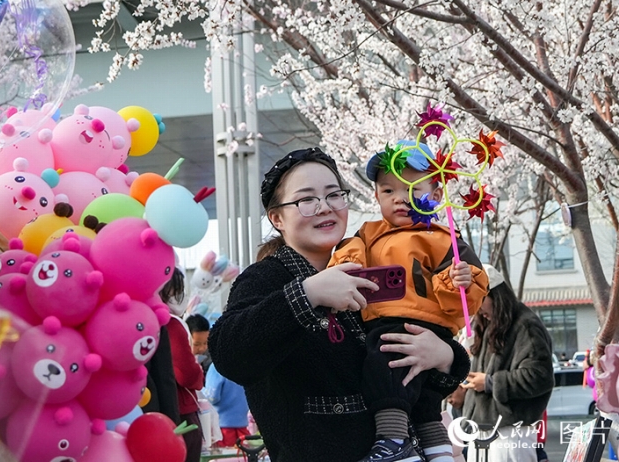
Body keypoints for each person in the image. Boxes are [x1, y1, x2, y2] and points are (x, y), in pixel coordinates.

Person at [209, 147, 471, 462]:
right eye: (306, 200)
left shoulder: (371, 270)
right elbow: (229, 353)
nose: (325, 208)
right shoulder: (265, 278)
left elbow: (406, 378)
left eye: (334, 195)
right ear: (277, 218)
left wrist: (445, 356)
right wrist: (307, 294)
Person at [329, 141, 489, 462]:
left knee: (389, 376)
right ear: (376, 196)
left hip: (410, 328)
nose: (400, 198)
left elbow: (467, 297)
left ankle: (393, 440)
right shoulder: (369, 233)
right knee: (420, 400)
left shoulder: (444, 239)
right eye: (388, 191)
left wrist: (459, 282)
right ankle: (439, 452)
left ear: (436, 190)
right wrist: (347, 268)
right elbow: (348, 258)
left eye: (413, 188)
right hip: (390, 320)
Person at [459, 264, 553, 462]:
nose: (477, 308)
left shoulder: (525, 324)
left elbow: (540, 377)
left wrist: (491, 383)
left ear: (495, 295)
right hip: (482, 430)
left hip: (511, 432)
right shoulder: (489, 325)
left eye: (480, 300)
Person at [160, 268, 205, 462]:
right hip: (181, 414)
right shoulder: (172, 325)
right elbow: (186, 373)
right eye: (175, 290)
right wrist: (199, 374)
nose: (180, 296)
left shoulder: (140, 321)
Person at [203, 363, 250, 447]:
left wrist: (200, 390)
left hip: (222, 429)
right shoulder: (245, 364)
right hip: (243, 426)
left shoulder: (217, 366)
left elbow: (212, 397)